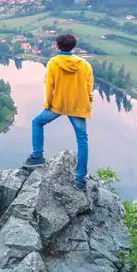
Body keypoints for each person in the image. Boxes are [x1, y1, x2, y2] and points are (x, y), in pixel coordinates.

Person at [24, 33, 93, 189]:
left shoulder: (54, 63)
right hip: (78, 106)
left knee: (37, 122)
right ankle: (80, 179)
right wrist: (88, 102)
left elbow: (49, 85)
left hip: (58, 104)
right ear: (73, 47)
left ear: (57, 46)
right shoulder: (85, 65)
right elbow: (89, 87)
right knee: (82, 140)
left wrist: (47, 104)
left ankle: (37, 156)